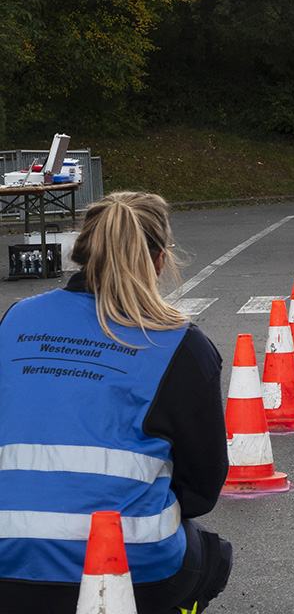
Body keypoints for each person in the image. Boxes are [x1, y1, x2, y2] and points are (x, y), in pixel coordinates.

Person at [0, 191, 231, 613]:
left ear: (81, 254)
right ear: (160, 260)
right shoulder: (181, 345)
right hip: (132, 569)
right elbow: (201, 490)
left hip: (8, 564)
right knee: (213, 557)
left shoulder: (17, 320)